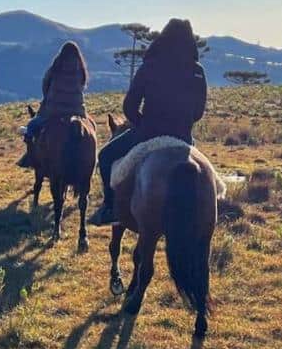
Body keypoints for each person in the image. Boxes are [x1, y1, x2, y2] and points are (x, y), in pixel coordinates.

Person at [87, 18, 207, 225]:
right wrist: (182, 122)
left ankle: (110, 208)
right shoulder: (198, 71)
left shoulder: (149, 66)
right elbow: (198, 113)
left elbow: (129, 107)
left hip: (148, 133)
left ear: (163, 38)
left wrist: (143, 123)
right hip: (183, 137)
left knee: (105, 156)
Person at [18, 41, 89, 168]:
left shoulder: (55, 67)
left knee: (32, 125)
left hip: (54, 110)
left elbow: (45, 84)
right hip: (77, 111)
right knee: (91, 128)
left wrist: (49, 98)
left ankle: (29, 157)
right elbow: (82, 86)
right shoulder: (81, 70)